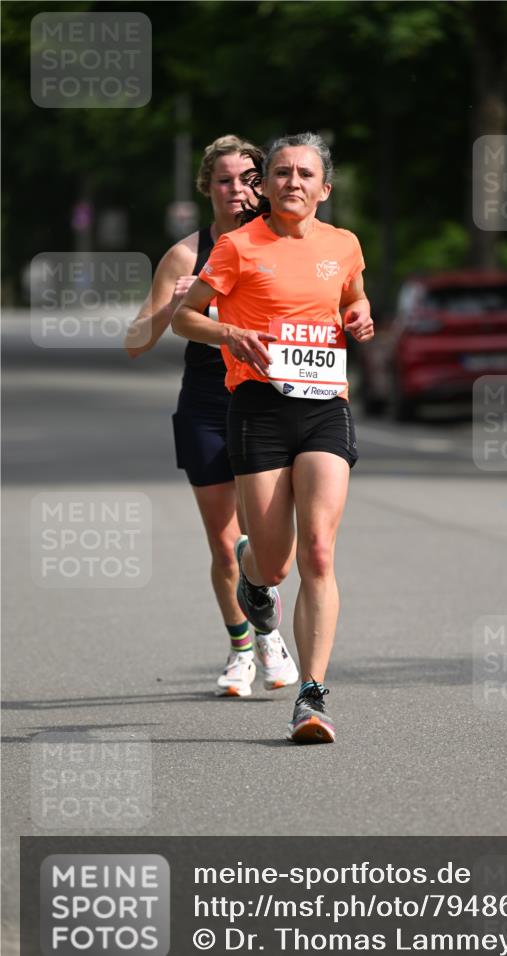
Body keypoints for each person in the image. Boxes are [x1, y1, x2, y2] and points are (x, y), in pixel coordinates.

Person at [172, 132, 374, 743]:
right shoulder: (237, 246)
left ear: (324, 188)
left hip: (323, 407)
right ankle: (251, 572)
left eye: (304, 174)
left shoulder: (343, 244)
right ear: (268, 184)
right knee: (275, 563)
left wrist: (362, 315)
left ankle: (311, 697)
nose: (292, 182)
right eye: (281, 172)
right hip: (257, 407)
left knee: (317, 552)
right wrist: (229, 336)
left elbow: (354, 299)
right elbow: (186, 317)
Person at [125, 135, 298, 698]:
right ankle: (244, 647)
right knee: (225, 544)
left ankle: (268, 630)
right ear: (208, 187)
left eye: (248, 179)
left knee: (265, 544)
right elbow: (134, 342)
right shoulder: (185, 254)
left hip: (267, 401)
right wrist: (174, 304)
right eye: (225, 180)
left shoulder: (279, 242)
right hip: (205, 404)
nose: (238, 191)